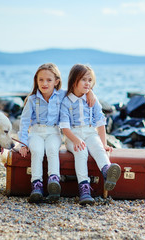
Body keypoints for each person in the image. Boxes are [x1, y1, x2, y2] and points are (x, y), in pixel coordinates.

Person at [18, 63, 95, 203]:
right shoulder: (32, 99)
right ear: (36, 80)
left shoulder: (62, 95)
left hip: (54, 132)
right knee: (36, 150)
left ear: (56, 82)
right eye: (41, 80)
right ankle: (37, 185)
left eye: (49, 80)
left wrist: (90, 92)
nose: (44, 83)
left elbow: (79, 89)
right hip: (36, 132)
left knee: (52, 149)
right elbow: (24, 122)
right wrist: (23, 143)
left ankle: (54, 181)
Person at [59, 64, 121, 205]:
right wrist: (75, 140)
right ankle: (84, 188)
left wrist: (104, 144)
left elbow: (100, 122)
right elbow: (65, 128)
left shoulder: (92, 99)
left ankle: (107, 171)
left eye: (90, 80)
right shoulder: (66, 101)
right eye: (84, 80)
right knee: (81, 152)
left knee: (98, 148)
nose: (88, 83)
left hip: (89, 132)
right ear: (74, 81)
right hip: (72, 136)